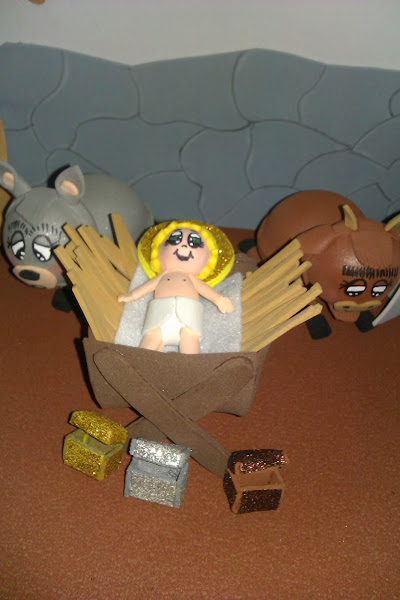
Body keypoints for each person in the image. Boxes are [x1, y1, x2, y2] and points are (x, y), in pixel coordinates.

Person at [118, 220, 235, 353]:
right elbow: (147, 287)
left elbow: (205, 290)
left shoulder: (192, 279)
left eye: (194, 242)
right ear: (158, 250)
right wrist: (131, 295)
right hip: (159, 315)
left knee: (190, 337)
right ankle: (141, 359)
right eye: (175, 239)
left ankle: (189, 363)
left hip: (188, 316)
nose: (184, 246)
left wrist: (220, 300)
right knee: (152, 337)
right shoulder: (162, 276)